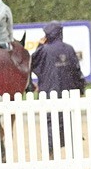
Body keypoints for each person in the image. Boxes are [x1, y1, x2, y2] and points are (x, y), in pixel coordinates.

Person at [31, 22, 86, 152]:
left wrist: (39, 46)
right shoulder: (69, 49)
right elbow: (77, 71)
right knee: (70, 120)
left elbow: (31, 63)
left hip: (49, 92)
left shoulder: (43, 50)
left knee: (51, 122)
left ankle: (51, 152)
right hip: (69, 91)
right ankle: (73, 151)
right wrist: (81, 89)